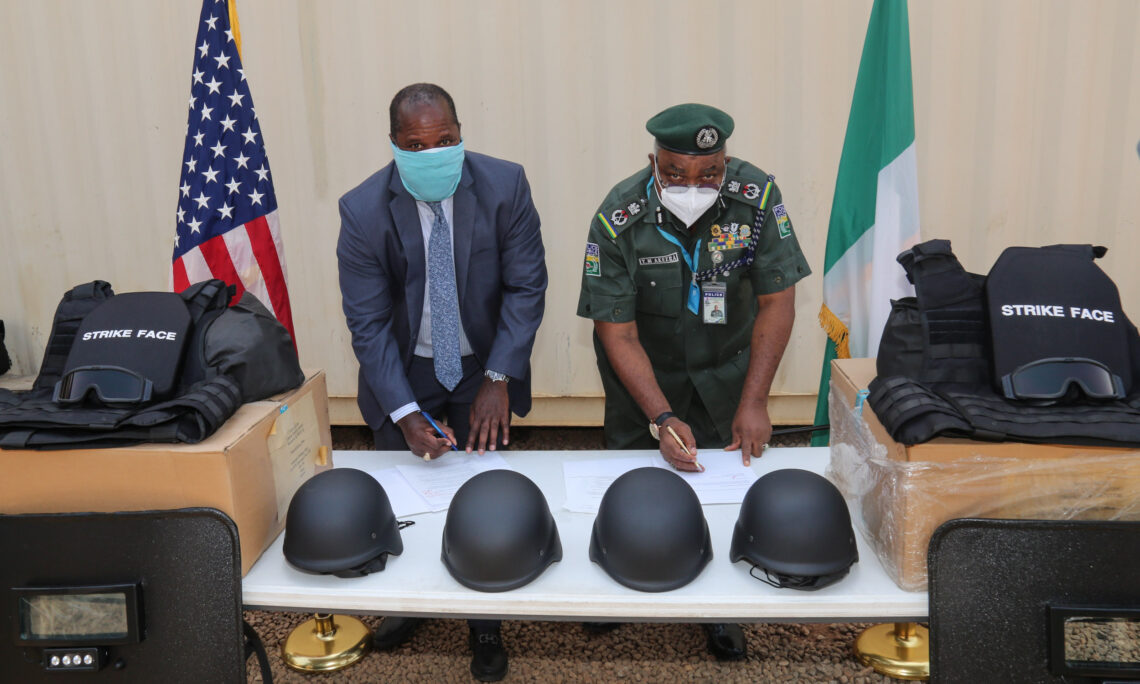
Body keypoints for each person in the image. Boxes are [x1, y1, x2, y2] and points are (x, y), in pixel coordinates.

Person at [576, 103, 811, 660]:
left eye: (710, 173)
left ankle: (718, 605)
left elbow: (778, 302)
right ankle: (619, 578)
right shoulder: (618, 216)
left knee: (723, 483)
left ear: (725, 162)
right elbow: (617, 333)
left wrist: (755, 400)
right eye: (675, 173)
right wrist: (660, 417)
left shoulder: (757, 200)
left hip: (726, 371)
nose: (693, 186)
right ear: (653, 163)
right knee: (632, 481)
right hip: (643, 377)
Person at [337, 83, 547, 682]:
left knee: (484, 494)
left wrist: (499, 376)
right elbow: (369, 323)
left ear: (460, 134)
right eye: (416, 145)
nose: (432, 153)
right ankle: (415, 600)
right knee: (409, 494)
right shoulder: (362, 210)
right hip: (406, 369)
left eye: (445, 140)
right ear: (394, 145)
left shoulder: (505, 185)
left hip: (484, 366)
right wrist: (403, 412)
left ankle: (485, 620)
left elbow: (526, 287)